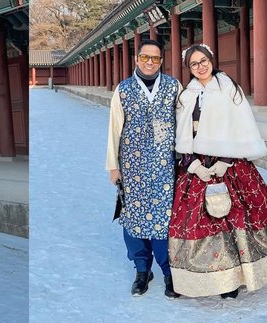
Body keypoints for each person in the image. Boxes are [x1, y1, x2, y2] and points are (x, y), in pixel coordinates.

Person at [169, 44, 267, 299]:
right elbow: (182, 132)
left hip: (229, 163)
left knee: (235, 219)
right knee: (199, 222)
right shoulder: (187, 95)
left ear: (212, 59)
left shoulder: (228, 89)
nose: (201, 67)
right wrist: (193, 165)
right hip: (197, 164)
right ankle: (211, 278)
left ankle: (235, 278)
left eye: (204, 61)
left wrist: (225, 160)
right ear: (189, 68)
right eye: (194, 64)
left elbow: (240, 127)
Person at [106, 39, 181, 298]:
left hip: (165, 165)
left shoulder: (173, 86)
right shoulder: (124, 89)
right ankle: (141, 270)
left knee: (164, 218)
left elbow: (183, 124)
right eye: (145, 57)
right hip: (132, 164)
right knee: (135, 219)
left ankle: (170, 272)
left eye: (155, 58)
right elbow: (114, 129)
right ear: (136, 59)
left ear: (161, 61)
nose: (150, 62)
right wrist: (112, 166)